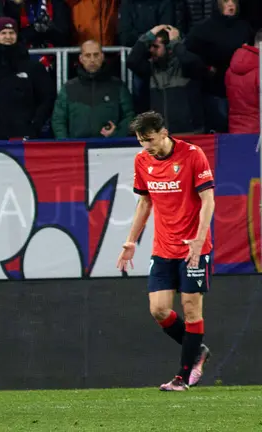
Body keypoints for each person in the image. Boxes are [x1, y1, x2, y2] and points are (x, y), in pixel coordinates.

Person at [116, 111, 214, 392]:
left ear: (163, 133)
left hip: (193, 247)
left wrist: (199, 237)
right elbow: (145, 203)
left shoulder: (193, 154)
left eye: (149, 140)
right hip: (163, 247)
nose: (146, 146)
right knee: (159, 310)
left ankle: (182, 377)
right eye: (140, 141)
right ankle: (197, 349)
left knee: (191, 308)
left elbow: (208, 200)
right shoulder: (142, 161)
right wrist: (131, 241)